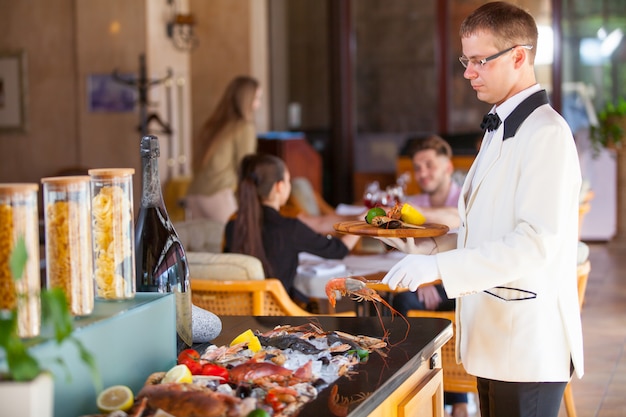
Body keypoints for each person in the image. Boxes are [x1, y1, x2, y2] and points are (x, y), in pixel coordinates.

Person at [379, 3, 584, 417]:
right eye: (465, 60)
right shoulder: (498, 126)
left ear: (519, 57)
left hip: (526, 343)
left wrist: (438, 271)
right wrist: (427, 248)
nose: (468, 72)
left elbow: (533, 245)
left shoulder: (547, 133)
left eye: (479, 61)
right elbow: (487, 234)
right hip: (494, 338)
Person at [224, 153, 360, 307]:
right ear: (279, 187)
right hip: (279, 317)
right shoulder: (289, 228)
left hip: (240, 312)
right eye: (288, 181)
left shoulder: (233, 226)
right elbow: (339, 250)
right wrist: (362, 222)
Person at [394, 135, 468, 417]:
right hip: (430, 285)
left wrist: (432, 278)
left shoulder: (463, 199)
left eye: (429, 165)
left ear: (448, 167)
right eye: (417, 167)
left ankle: (458, 401)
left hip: (457, 284)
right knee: (397, 301)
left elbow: (457, 223)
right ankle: (413, 392)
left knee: (457, 304)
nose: (422, 173)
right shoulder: (414, 202)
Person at [186, 75, 262, 224]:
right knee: (235, 245)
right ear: (246, 100)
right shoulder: (243, 127)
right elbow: (246, 167)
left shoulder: (213, 125)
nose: (258, 105)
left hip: (194, 195)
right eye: (256, 98)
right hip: (218, 195)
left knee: (202, 247)